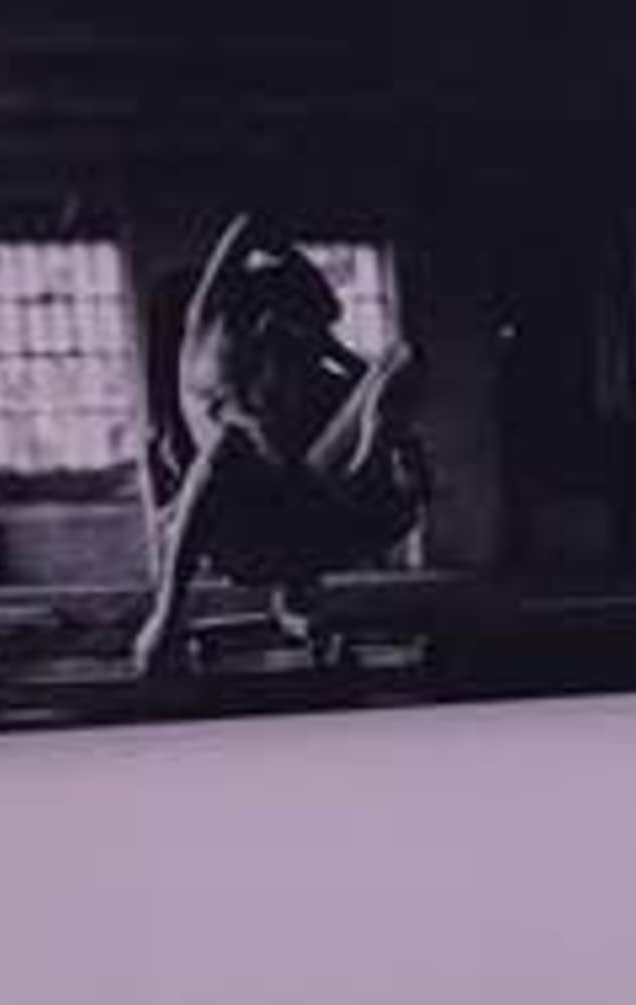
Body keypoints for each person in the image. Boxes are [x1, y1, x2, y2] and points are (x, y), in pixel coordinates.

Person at [130, 215, 428, 678]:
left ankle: (298, 587)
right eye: (307, 330)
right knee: (228, 448)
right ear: (271, 317)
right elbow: (246, 226)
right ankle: (166, 619)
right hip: (233, 522)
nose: (313, 343)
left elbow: (374, 379)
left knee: (404, 358)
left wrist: (391, 434)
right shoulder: (211, 344)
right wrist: (284, 253)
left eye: (316, 335)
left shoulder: (298, 361)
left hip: (312, 499)